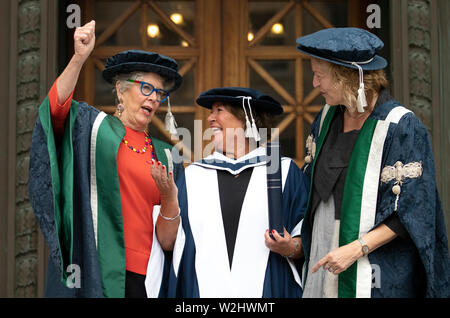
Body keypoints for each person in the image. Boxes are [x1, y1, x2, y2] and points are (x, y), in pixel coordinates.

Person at [28, 20, 184, 297]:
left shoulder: (166, 155)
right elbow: (54, 112)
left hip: (148, 278)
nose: (154, 99)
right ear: (121, 89)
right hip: (97, 271)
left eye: (160, 93)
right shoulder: (94, 129)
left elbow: (169, 242)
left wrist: (170, 197)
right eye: (146, 88)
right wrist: (79, 58)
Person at [296, 27, 450, 297]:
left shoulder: (400, 126)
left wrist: (356, 248)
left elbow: (414, 209)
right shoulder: (324, 120)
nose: (314, 84)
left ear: (347, 78)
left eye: (320, 76)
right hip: (324, 259)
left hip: (374, 269)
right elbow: (311, 193)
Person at [148, 87, 309, 298]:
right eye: (211, 112)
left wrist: (289, 247)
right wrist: (168, 196)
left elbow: (307, 239)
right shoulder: (194, 176)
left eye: (219, 110)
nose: (210, 119)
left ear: (246, 119)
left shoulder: (283, 171)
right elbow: (168, 243)